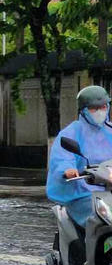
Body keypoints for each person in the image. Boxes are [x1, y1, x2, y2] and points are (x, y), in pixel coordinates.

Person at [47, 85, 112, 229]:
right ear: (84, 110)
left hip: (109, 188)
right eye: (94, 108)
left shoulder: (110, 131)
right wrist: (68, 170)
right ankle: (92, 243)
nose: (100, 111)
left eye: (103, 107)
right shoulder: (72, 132)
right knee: (98, 218)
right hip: (84, 193)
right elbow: (62, 158)